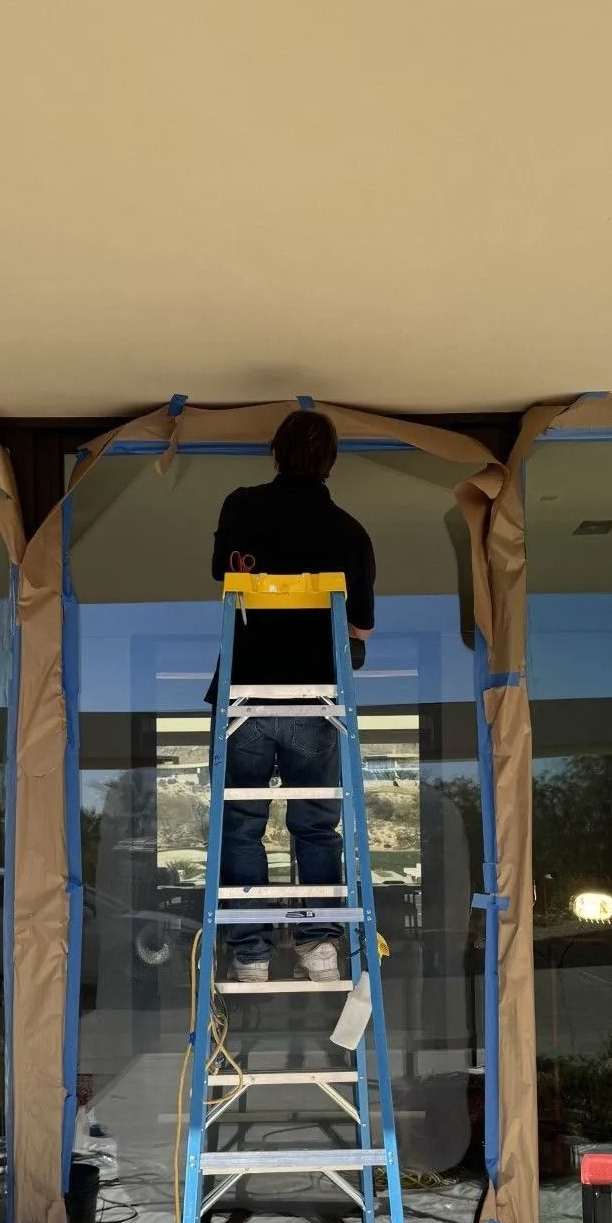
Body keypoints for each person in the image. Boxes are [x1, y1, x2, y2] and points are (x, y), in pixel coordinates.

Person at [208, 409, 375, 983]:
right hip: (316, 700)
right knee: (315, 826)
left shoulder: (240, 507)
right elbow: (360, 632)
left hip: (244, 699)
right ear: (330, 462)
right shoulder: (350, 533)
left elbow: (221, 579)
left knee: (241, 826)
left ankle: (251, 953)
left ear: (275, 453)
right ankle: (319, 948)